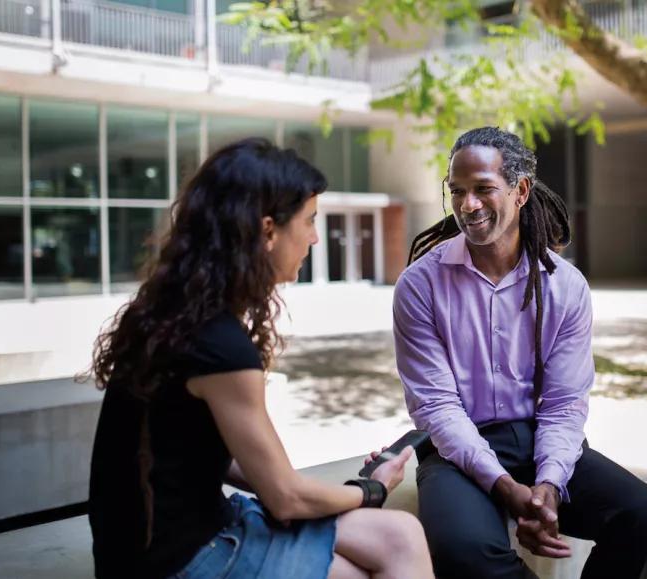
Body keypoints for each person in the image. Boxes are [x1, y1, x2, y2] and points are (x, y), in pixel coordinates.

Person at [88, 138, 433, 579]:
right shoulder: (220, 344)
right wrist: (370, 489)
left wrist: (326, 494)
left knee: (398, 537)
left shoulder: (174, 313)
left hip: (171, 536)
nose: (313, 238)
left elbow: (205, 453)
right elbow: (285, 499)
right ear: (267, 231)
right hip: (179, 559)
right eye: (309, 222)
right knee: (376, 556)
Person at [393, 127, 647, 579]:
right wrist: (504, 486)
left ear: (520, 191)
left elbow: (564, 403)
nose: (468, 205)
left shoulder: (564, 285)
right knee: (465, 553)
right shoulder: (420, 285)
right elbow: (437, 407)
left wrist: (548, 485)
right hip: (454, 450)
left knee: (642, 515)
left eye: (484, 189)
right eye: (457, 191)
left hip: (539, 437)